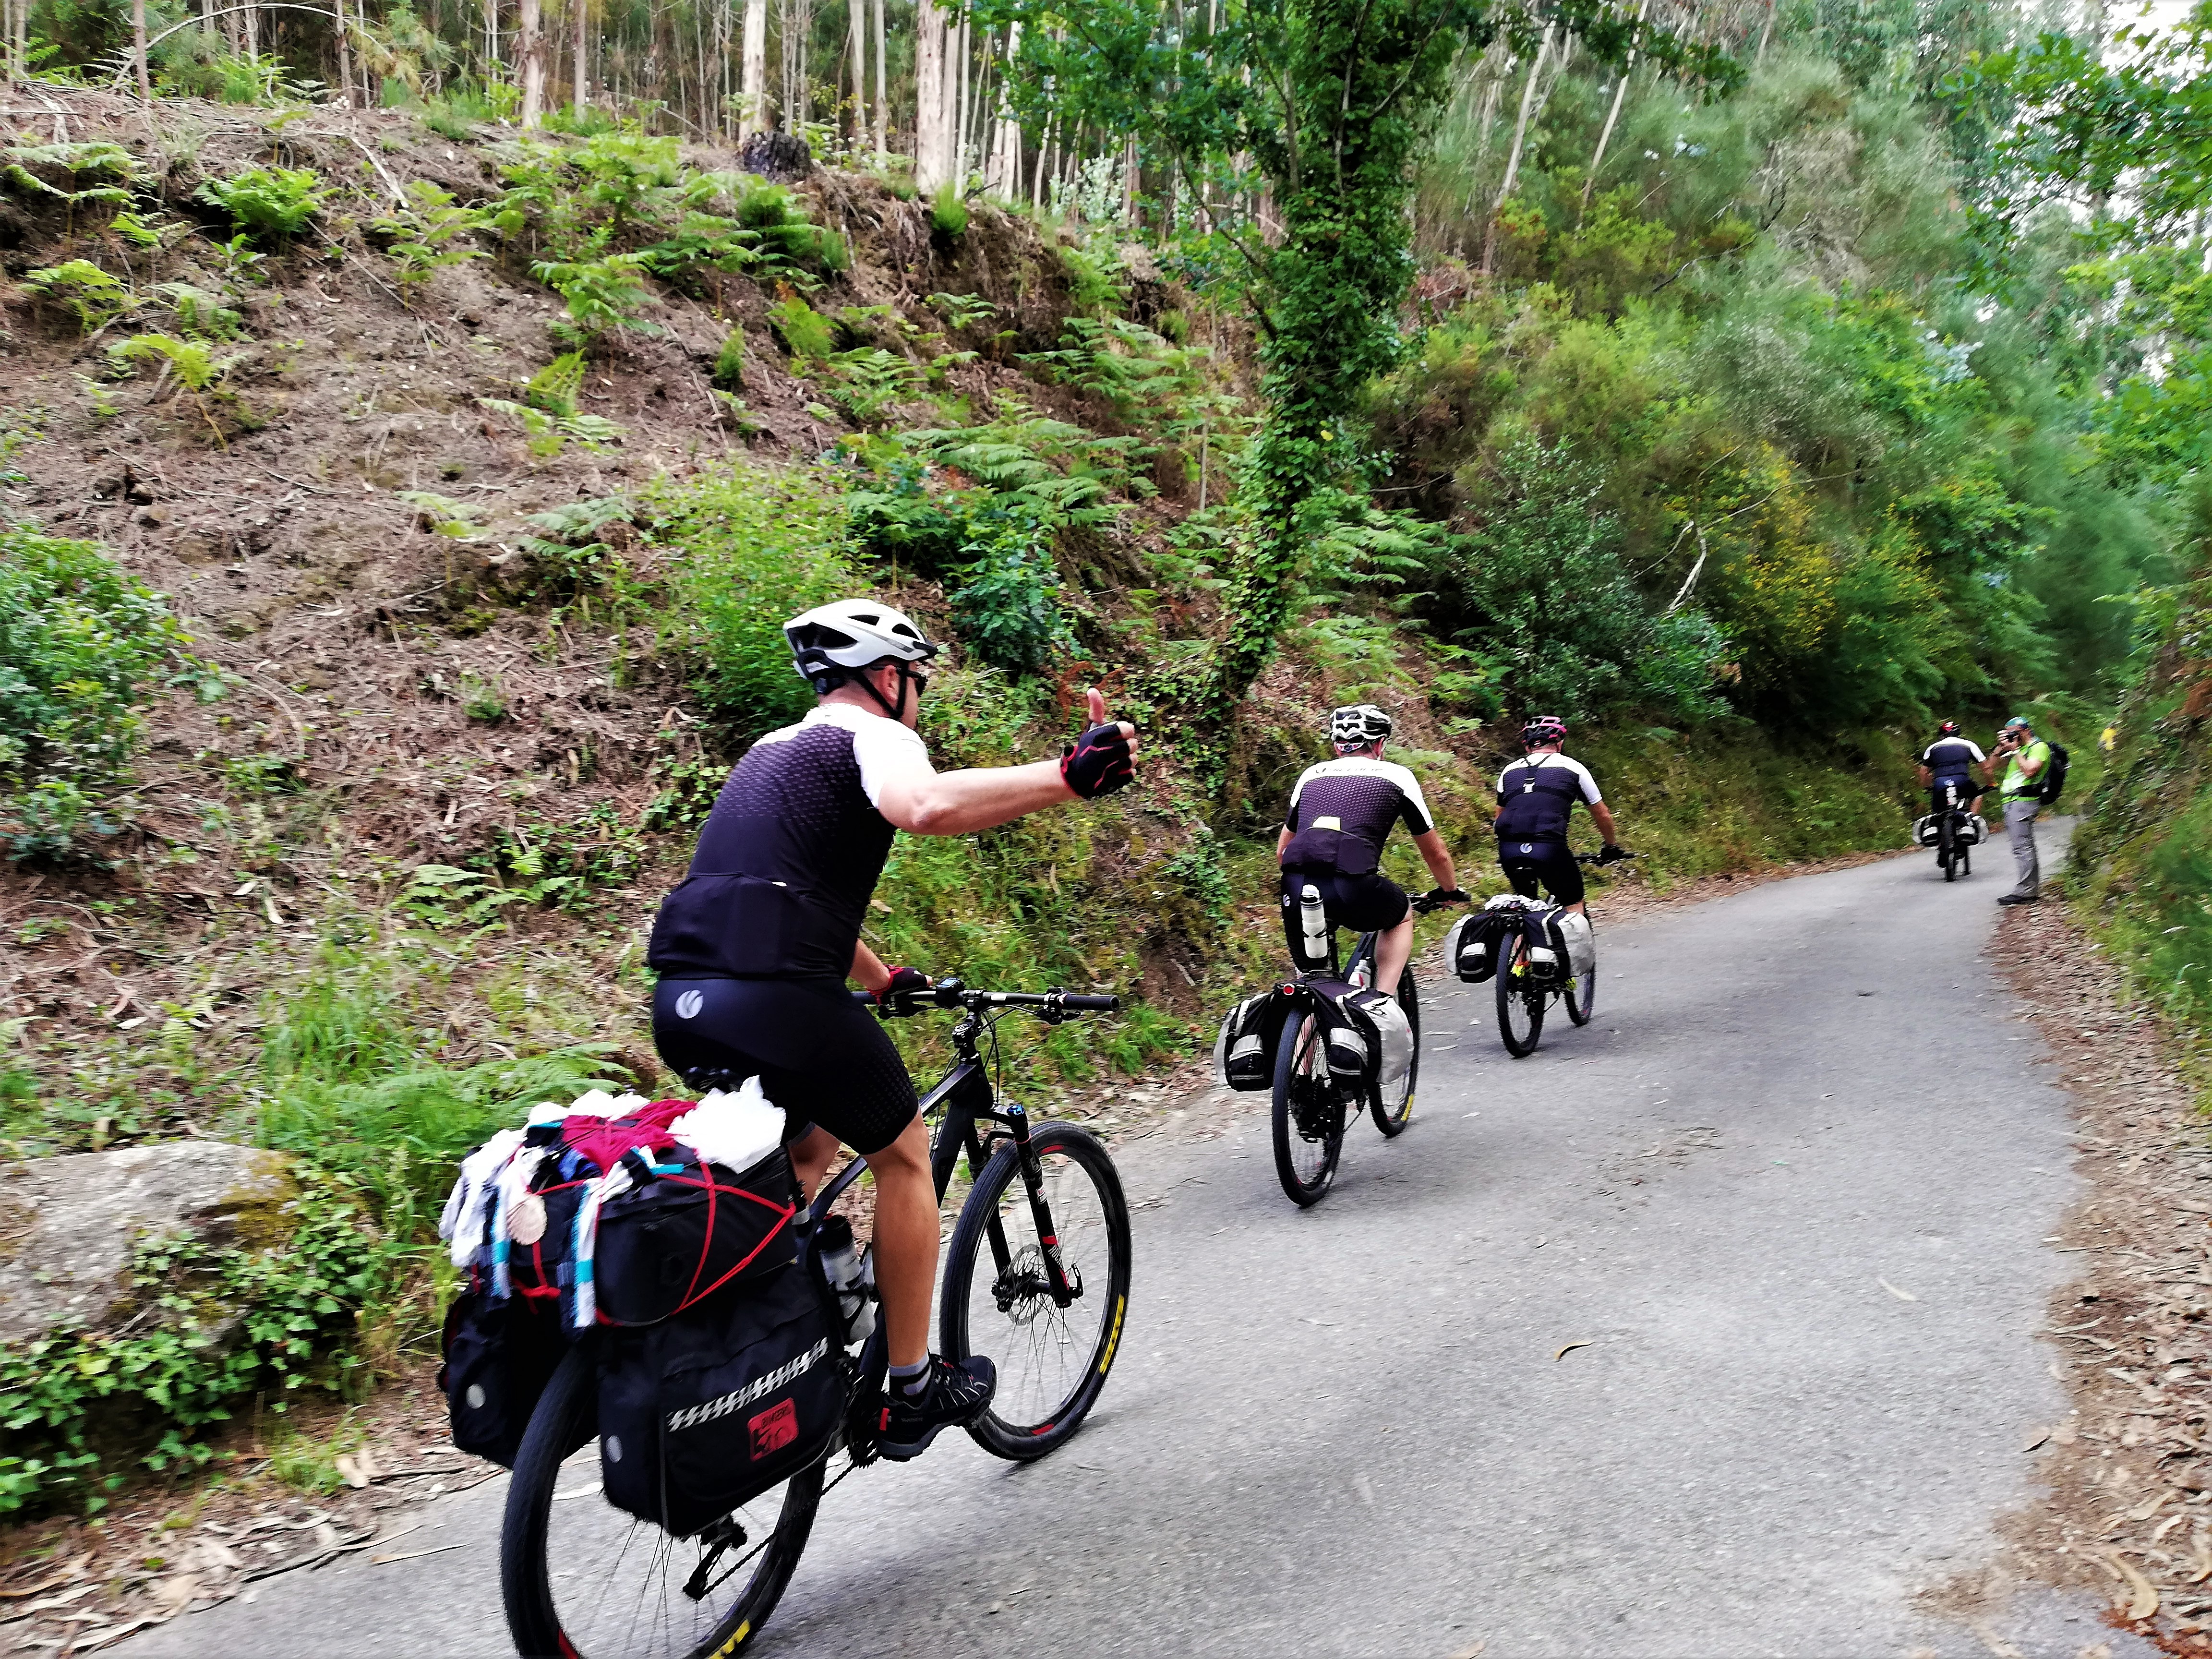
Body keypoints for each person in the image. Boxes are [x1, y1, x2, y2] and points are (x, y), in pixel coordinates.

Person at [644, 599, 1137, 1460]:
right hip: (779, 1000)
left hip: (685, 1001)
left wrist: (878, 978)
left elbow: (771, 889)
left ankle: (777, 1316)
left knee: (804, 1148)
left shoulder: (764, 753)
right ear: (885, 677)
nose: (921, 698)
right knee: (904, 1154)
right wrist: (1066, 775)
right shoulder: (873, 736)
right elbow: (923, 807)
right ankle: (910, 1388)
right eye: (917, 680)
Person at [1276, 703, 1460, 996]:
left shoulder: (1311, 775)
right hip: (1353, 883)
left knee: (1312, 988)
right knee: (1402, 916)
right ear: (1380, 744)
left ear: (1338, 747)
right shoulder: (1397, 776)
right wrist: (1449, 890)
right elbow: (1435, 853)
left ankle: (1301, 1038)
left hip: (1296, 884)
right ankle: (1382, 1005)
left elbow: (1283, 850)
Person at [1491, 714, 1626, 913]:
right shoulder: (1573, 767)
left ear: (1528, 746)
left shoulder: (1509, 770)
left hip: (1509, 849)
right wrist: (1611, 846)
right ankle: (1575, 939)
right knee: (1573, 901)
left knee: (1525, 908)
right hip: (1549, 847)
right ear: (1559, 742)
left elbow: (1499, 817)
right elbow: (1602, 814)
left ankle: (1520, 941)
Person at [1991, 714, 2051, 906]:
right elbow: (1990, 766)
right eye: (2008, 734)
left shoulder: (2038, 748)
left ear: (2025, 730)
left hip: (2024, 800)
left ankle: (2026, 892)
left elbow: (2030, 771)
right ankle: (2029, 889)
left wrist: (2015, 750)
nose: (2011, 737)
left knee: (2022, 847)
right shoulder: (2020, 749)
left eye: (2013, 733)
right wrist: (2002, 747)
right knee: (2023, 846)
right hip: (2012, 801)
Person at [1917, 719, 1988, 824]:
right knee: (1978, 795)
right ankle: (1971, 822)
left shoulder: (1932, 748)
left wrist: (1927, 787)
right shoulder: (1969, 744)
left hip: (1940, 783)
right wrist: (1990, 783)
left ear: (1941, 736)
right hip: (1962, 781)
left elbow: (1923, 772)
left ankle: (1937, 828)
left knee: (1937, 812)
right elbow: (1985, 767)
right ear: (1958, 733)